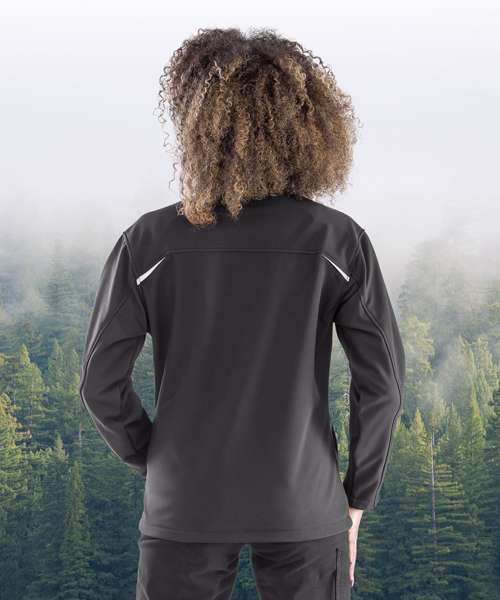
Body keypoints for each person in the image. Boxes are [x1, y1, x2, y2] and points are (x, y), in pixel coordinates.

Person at [79, 27, 405, 600]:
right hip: (305, 504)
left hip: (184, 504)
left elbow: (99, 383)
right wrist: (357, 498)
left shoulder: (149, 241)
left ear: (195, 125)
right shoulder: (337, 240)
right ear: (307, 128)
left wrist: (156, 459)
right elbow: (383, 386)